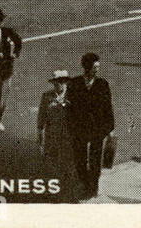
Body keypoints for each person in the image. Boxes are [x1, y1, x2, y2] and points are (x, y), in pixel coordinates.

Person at [67, 53, 115, 200]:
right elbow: (70, 108)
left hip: (97, 128)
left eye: (98, 67)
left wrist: (110, 129)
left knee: (95, 160)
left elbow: (108, 107)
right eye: (95, 67)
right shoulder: (74, 84)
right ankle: (84, 184)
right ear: (87, 67)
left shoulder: (102, 84)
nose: (97, 69)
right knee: (79, 159)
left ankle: (93, 188)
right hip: (79, 128)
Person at [37, 69, 80, 199]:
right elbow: (41, 117)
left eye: (62, 82)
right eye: (56, 82)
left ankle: (67, 193)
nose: (59, 84)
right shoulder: (47, 96)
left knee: (68, 165)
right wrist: (39, 136)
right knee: (51, 164)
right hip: (52, 137)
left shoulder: (73, 97)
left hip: (68, 138)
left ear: (66, 82)